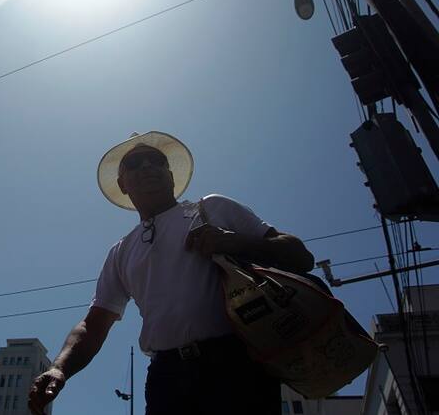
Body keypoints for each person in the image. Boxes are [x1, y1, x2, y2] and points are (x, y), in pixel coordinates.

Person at [28, 131, 314, 415]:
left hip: (237, 363)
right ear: (122, 184)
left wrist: (234, 241)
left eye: (156, 160)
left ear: (170, 174)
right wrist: (58, 368)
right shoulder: (121, 252)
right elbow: (93, 324)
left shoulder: (213, 208)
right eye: (135, 163)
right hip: (167, 377)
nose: (147, 166)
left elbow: (300, 256)